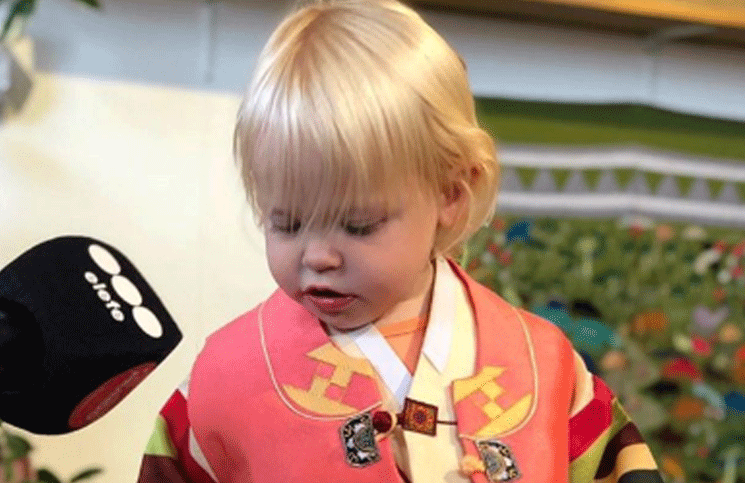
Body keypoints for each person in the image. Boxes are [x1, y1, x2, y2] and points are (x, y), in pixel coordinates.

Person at [137, 1, 662, 482]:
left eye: (359, 226)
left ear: (452, 194)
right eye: (287, 224)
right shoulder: (224, 382)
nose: (317, 256)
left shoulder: (546, 369)